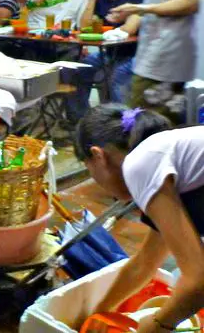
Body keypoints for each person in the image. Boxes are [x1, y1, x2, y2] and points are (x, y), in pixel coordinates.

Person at [75, 105, 204, 333]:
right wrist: (101, 314)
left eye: (89, 169)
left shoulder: (141, 163)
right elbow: (145, 261)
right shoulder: (162, 156)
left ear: (98, 155)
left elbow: (198, 280)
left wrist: (159, 324)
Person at [66, 0, 147, 120]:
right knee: (77, 71)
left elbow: (129, 29)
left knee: (116, 77)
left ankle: (122, 128)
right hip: (108, 54)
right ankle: (81, 121)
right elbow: (84, 26)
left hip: (136, 55)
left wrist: (112, 29)